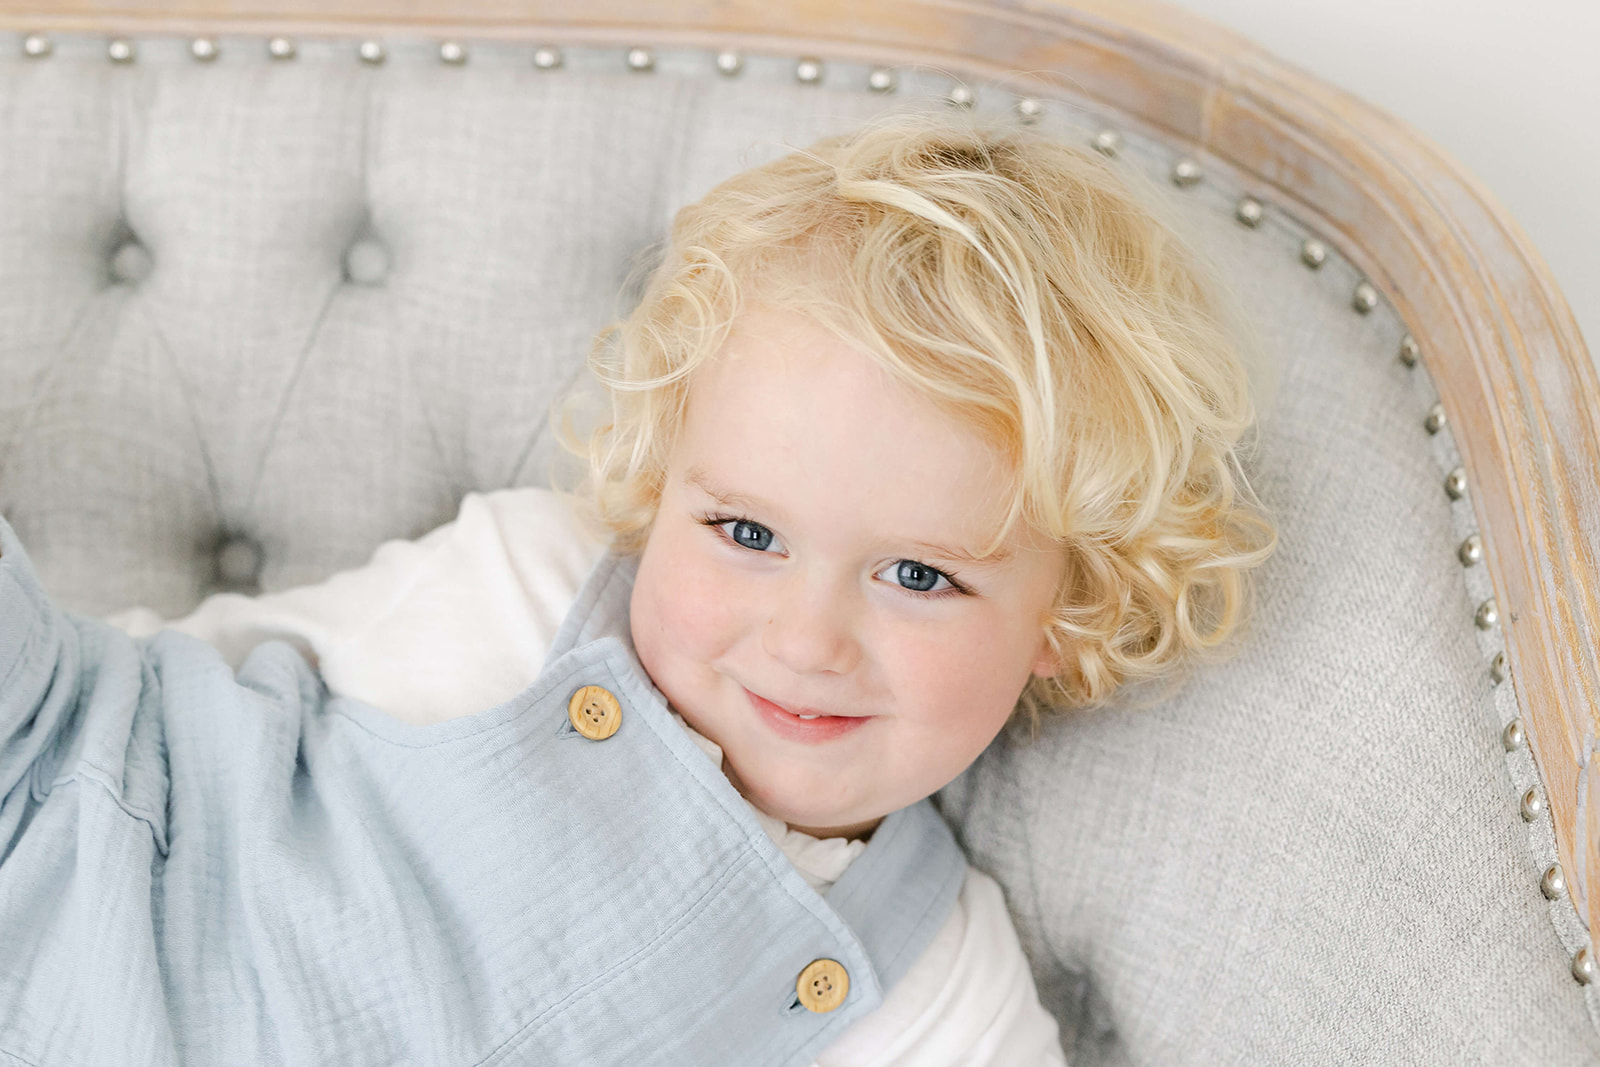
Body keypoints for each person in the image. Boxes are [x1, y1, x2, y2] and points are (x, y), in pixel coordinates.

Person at [0, 111, 1275, 1065]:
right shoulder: (532, 584)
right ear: (664, 487)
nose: (806, 636)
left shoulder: (935, 984)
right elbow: (183, 703)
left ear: (1070, 608)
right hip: (78, 861)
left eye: (916, 574)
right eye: (746, 533)